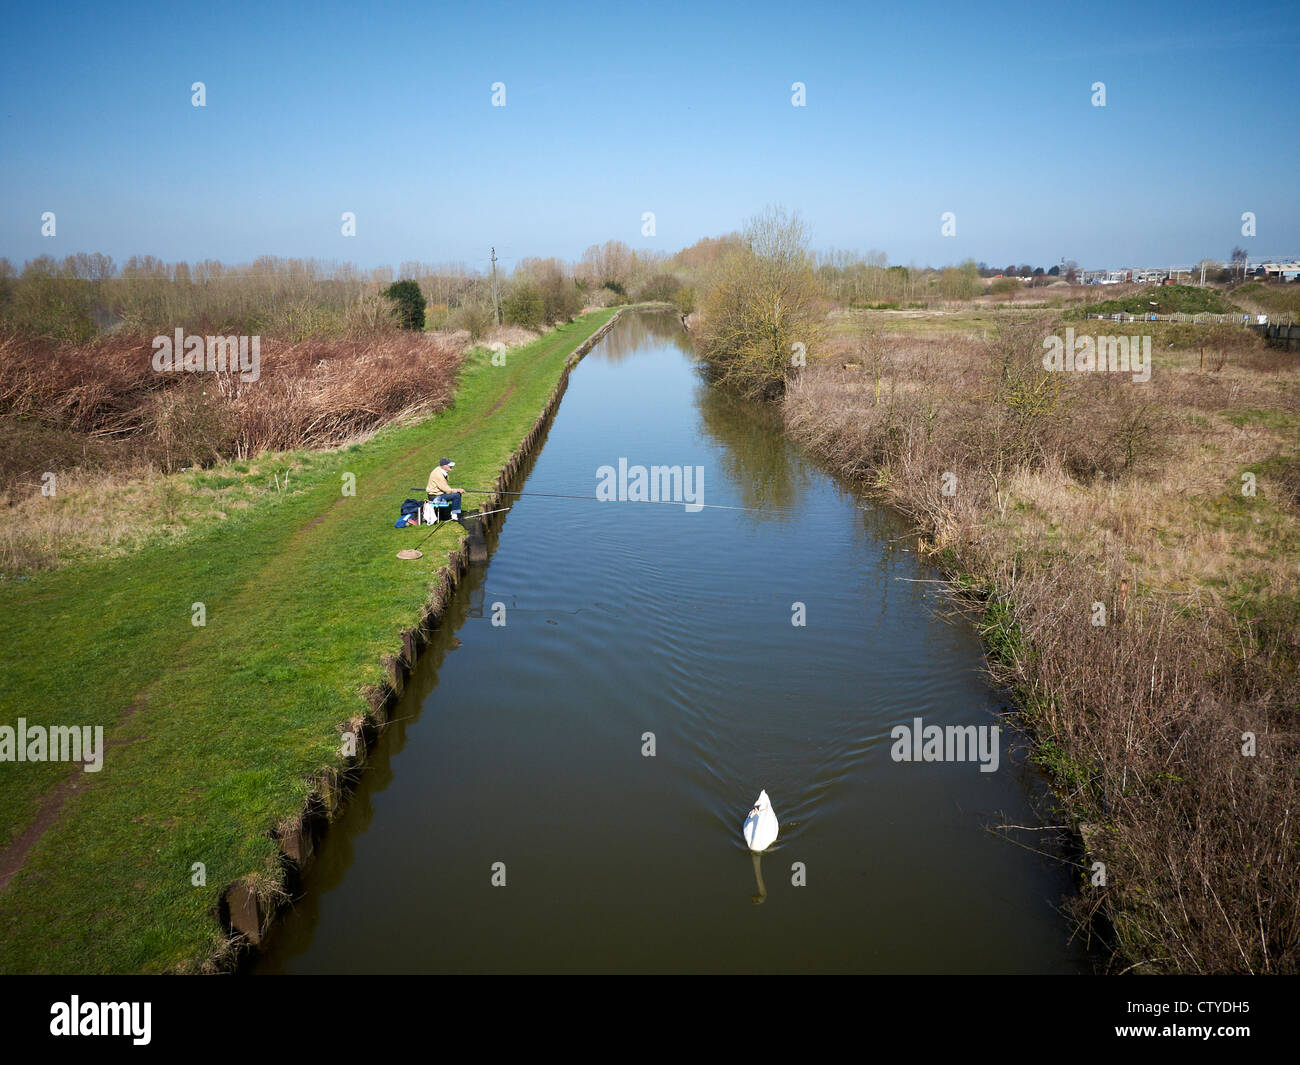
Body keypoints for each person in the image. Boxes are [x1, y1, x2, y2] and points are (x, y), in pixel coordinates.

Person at [426, 457, 464, 521]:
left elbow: (445, 488)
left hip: (437, 494)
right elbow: (447, 490)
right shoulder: (438, 475)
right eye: (450, 465)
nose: (451, 466)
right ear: (444, 466)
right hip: (435, 497)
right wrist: (458, 490)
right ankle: (454, 515)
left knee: (456, 494)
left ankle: (454, 513)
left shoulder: (440, 470)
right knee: (457, 495)